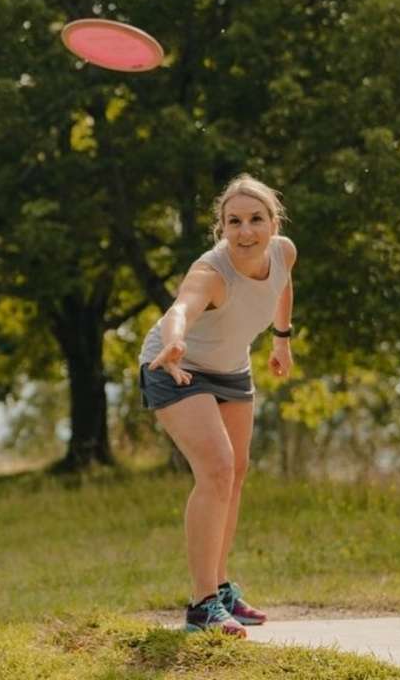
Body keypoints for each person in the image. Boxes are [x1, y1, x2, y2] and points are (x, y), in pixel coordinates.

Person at [138, 174, 296, 636]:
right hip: (174, 366)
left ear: (273, 222)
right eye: (234, 222)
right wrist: (175, 343)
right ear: (221, 228)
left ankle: (222, 587)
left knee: (237, 470)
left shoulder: (284, 252)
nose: (245, 232)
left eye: (255, 220)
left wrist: (282, 339)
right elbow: (180, 310)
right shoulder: (211, 270)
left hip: (231, 368)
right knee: (217, 469)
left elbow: (282, 286)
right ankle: (202, 604)